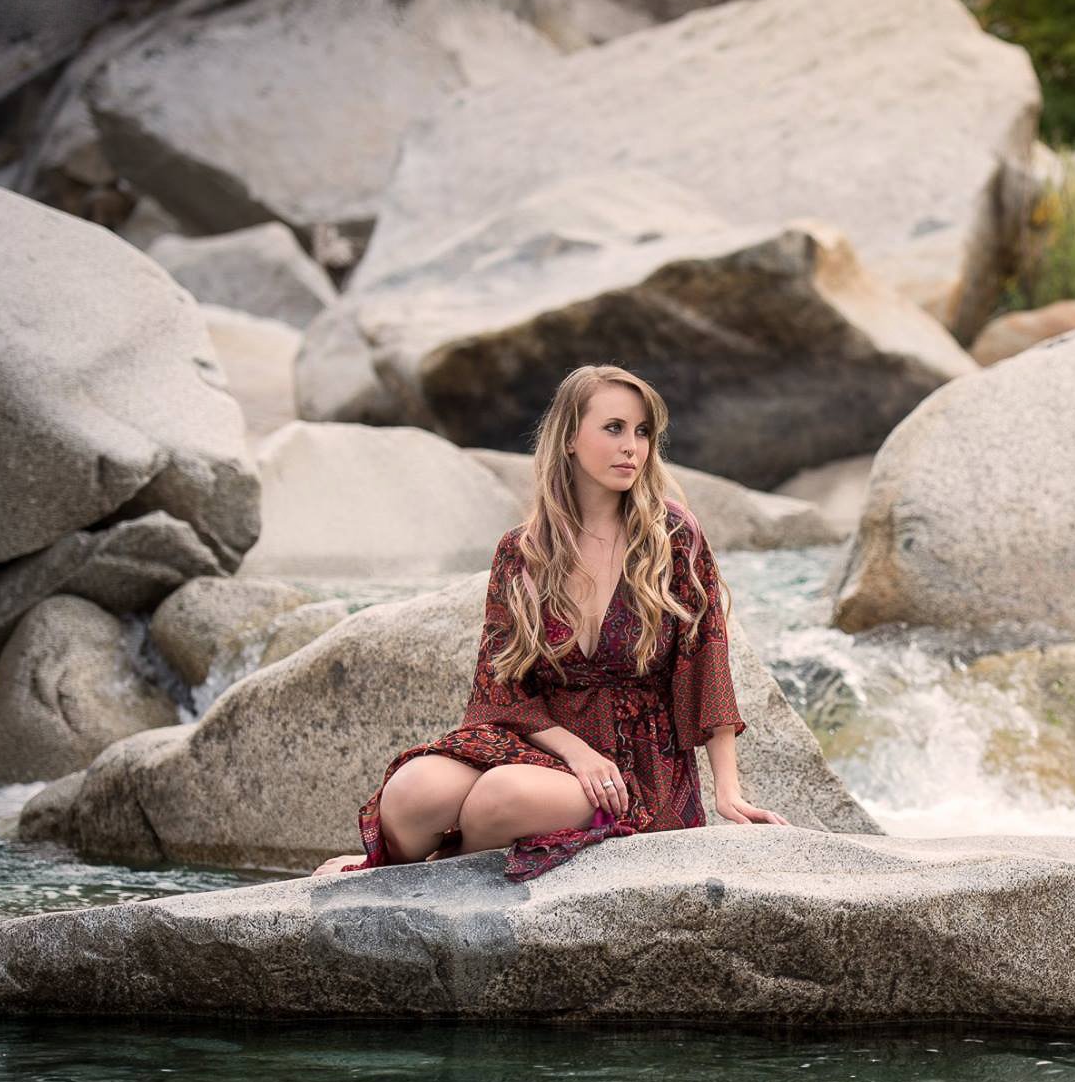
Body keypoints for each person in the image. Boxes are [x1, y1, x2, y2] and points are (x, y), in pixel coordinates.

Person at [312, 364, 788, 880]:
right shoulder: (522, 551)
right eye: (614, 428)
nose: (633, 446)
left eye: (643, 431)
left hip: (634, 767)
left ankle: (434, 870)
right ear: (568, 439)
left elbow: (707, 665)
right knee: (411, 792)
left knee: (500, 796)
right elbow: (499, 689)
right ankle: (395, 874)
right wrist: (575, 751)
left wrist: (728, 791)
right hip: (544, 742)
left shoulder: (672, 536)